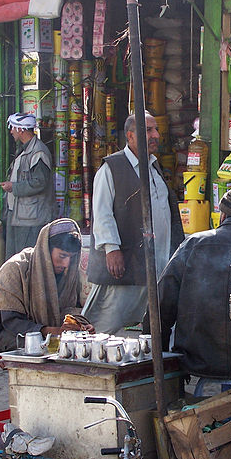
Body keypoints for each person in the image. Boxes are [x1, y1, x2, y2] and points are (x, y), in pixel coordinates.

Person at [151, 184, 231, 379]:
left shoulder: (194, 244)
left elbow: (161, 306)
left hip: (194, 363)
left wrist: (163, 360)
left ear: (222, 215)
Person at [84, 111, 183, 334]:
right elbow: (101, 212)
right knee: (104, 321)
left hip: (156, 261)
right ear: (130, 136)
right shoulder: (112, 167)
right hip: (127, 260)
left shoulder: (155, 167)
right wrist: (111, 249)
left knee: (152, 320)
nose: (155, 135)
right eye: (148, 130)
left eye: (156, 129)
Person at [0, 218, 94, 361]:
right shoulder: (16, 268)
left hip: (50, 332)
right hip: (6, 334)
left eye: (71, 258)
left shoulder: (68, 274)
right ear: (46, 249)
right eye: (62, 256)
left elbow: (70, 308)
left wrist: (80, 325)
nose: (66, 264)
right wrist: (50, 331)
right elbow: (12, 321)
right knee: (42, 346)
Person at [0, 113, 54, 259]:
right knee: (14, 259)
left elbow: (40, 182)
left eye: (13, 128)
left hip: (31, 218)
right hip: (20, 215)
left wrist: (14, 187)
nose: (11, 131)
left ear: (21, 129)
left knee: (26, 260)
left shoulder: (38, 152)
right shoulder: (25, 149)